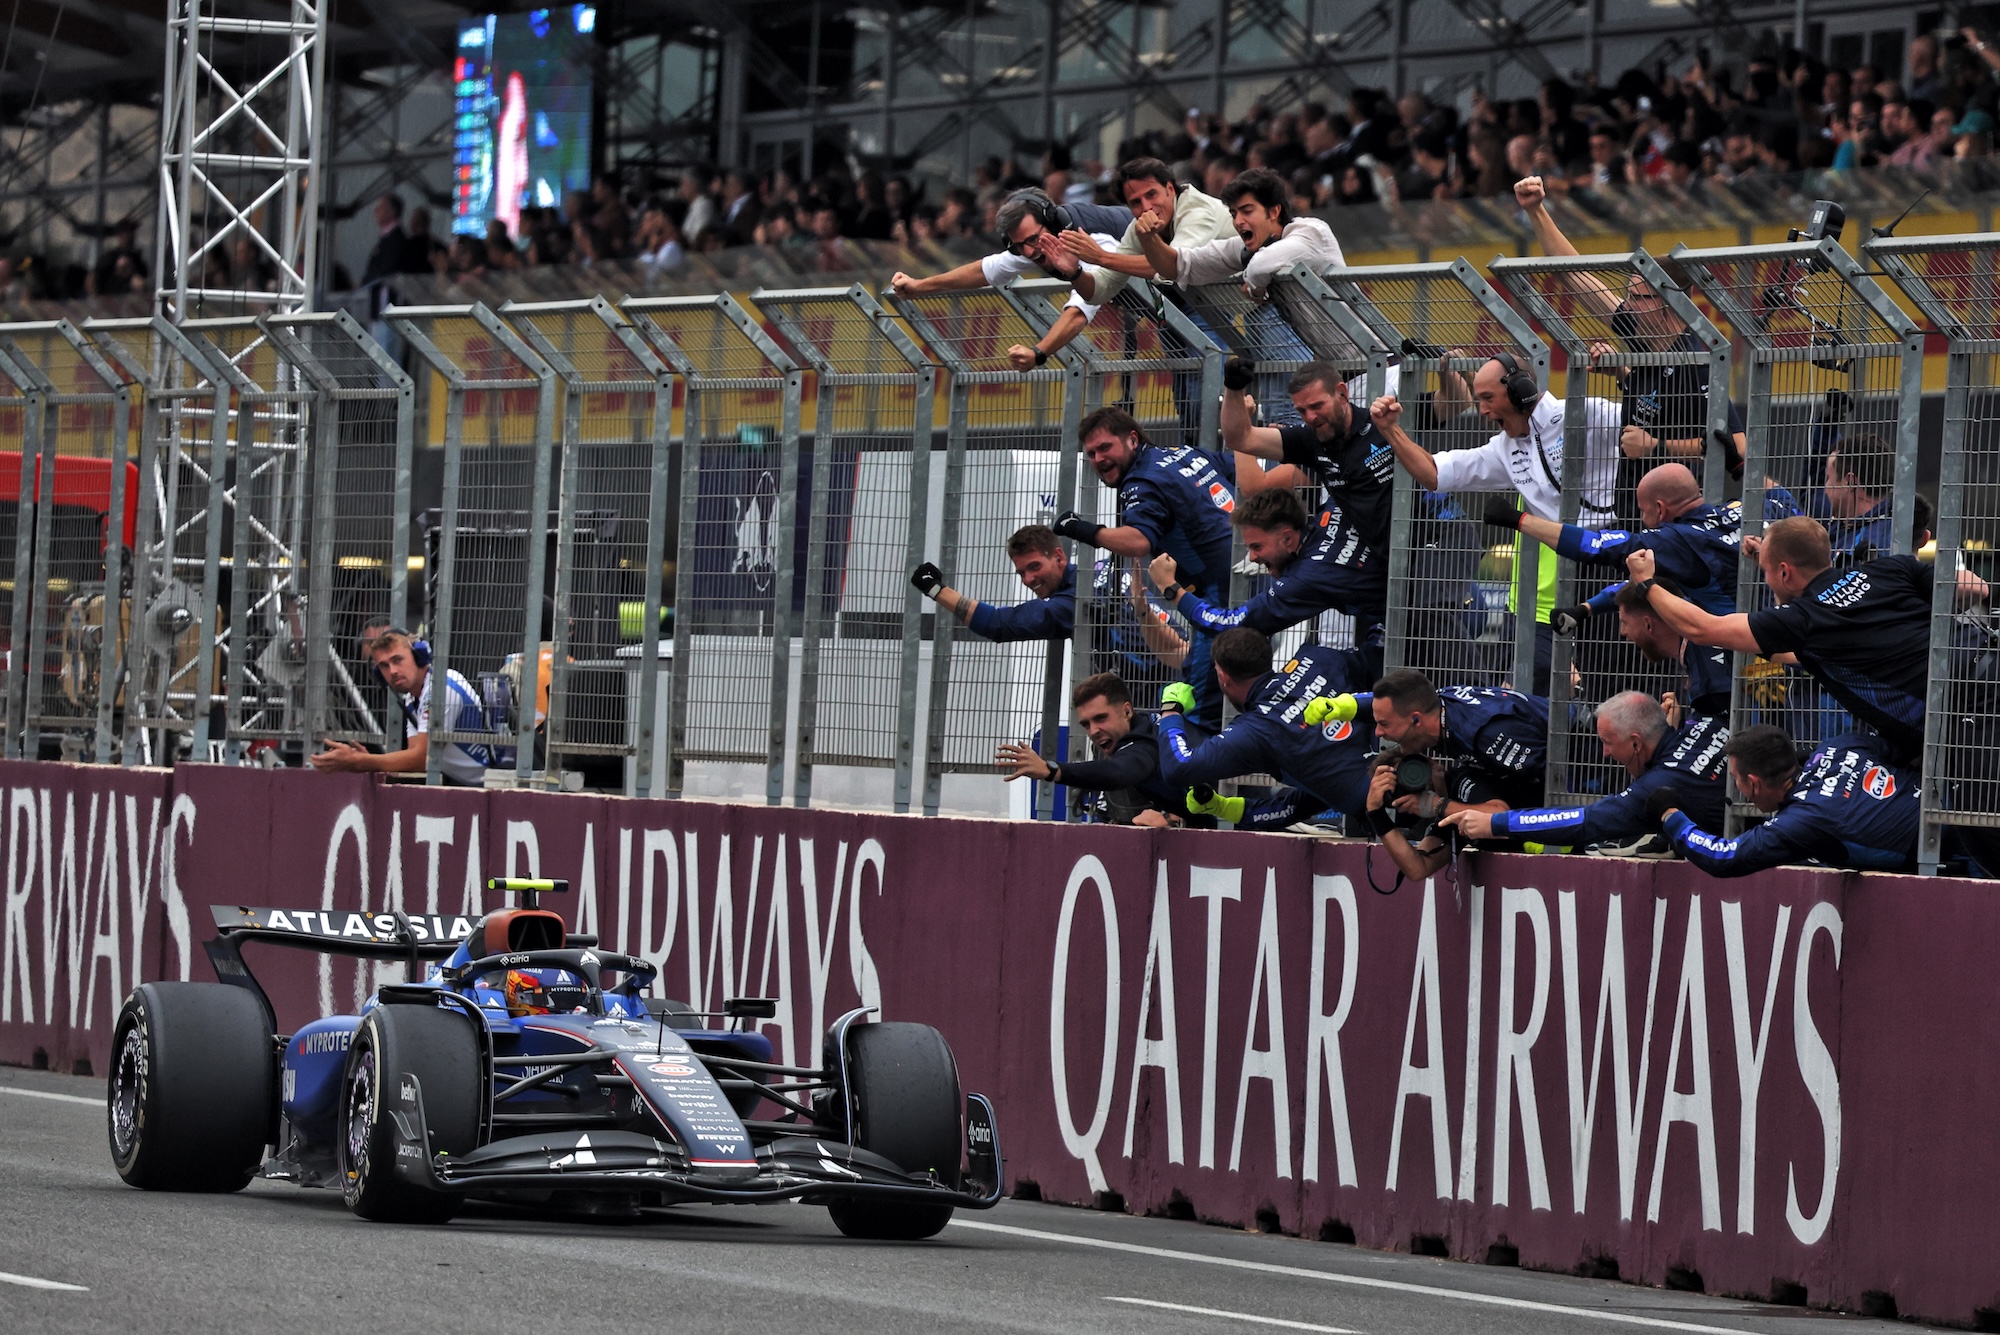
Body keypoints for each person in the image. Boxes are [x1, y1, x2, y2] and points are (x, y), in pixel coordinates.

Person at [1626, 515, 1988, 764]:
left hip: (1963, 719)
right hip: (1985, 662)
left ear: (1785, 571)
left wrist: (1647, 584)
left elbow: (1703, 628)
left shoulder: (1804, 620)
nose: (1765, 581)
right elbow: (1975, 587)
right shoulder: (1892, 568)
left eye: (1768, 572)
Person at [1373, 347, 1619, 689]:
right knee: (1548, 695)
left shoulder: (1587, 412)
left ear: (1522, 391)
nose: (1484, 411)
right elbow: (1433, 473)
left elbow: (1661, 422)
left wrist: (1628, 383)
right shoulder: (1503, 448)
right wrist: (1390, 430)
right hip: (1552, 593)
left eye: (1488, 397)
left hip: (1615, 565)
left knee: (1615, 683)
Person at [1512, 175, 1745, 511]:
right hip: (1632, 509)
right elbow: (1576, 276)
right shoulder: (1643, 336)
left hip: (1671, 519)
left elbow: (1738, 445)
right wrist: (1537, 210)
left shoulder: (1696, 362)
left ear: (1670, 303)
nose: (1628, 304)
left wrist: (1656, 446)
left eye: (1639, 297)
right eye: (1628, 295)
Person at [1490, 462, 1738, 717]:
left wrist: (1519, 520)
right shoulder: (1739, 510)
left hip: (1740, 660)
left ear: (1660, 509)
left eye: (1643, 511)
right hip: (1768, 635)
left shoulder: (1676, 540)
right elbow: (1777, 497)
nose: (1642, 520)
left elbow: (1595, 544)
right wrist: (1587, 608)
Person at [1053, 407, 1237, 726]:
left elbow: (1138, 541)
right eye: (1092, 453)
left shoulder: (1140, 480)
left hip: (1221, 598)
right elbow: (1240, 469)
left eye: (1105, 448)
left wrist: (1077, 527)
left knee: (1203, 707)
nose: (1098, 459)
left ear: (1132, 439)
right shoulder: (1182, 454)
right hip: (1253, 579)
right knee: (1233, 689)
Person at [1440, 690, 1728, 853]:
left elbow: (1582, 821)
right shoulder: (1705, 723)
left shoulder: (1657, 786)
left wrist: (1496, 824)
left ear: (1636, 742)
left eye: (1607, 742)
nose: (1604, 753)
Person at [1154, 628, 1380, 829]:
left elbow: (1178, 767)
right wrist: (1223, 808)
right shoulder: (1316, 658)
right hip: (1402, 769)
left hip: (1389, 812)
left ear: (1223, 677)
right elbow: (1301, 804)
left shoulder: (1254, 731)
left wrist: (1171, 710)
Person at [887, 187, 1129, 357]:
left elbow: (1080, 309)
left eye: (1033, 239)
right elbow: (984, 271)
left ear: (1050, 219)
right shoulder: (1034, 244)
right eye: (1018, 245)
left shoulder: (1089, 236)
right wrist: (919, 286)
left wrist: (1038, 353)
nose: (1029, 252)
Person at [1650, 724, 1919, 876]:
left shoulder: (1800, 821)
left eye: (1735, 778)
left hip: (1944, 848)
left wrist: (1670, 815)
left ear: (1753, 783)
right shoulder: (1840, 745)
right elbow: (1908, 745)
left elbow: (1725, 856)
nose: (1737, 787)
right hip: (1950, 801)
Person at [1224, 358, 1396, 583]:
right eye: (1302, 411)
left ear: (1342, 393)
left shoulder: (1384, 421)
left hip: (1433, 541)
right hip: (1380, 564)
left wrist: (1446, 370)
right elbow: (1240, 438)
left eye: (1317, 406)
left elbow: (1451, 402)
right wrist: (1234, 388)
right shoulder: (1310, 440)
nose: (1310, 417)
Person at [1146, 484, 1386, 637]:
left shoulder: (1306, 579)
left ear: (1287, 538)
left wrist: (1172, 589)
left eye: (1257, 546)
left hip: (1414, 618)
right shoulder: (1336, 506)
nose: (1252, 557)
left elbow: (1228, 624)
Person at [1310, 666, 1550, 810]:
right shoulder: (1438, 705)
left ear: (1416, 720)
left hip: (1578, 753)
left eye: (1384, 724)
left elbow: (1556, 776)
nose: (1378, 733)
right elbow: (1396, 702)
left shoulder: (1485, 736)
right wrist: (1345, 706)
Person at [995, 672, 1194, 827]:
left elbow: (1120, 772)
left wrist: (1052, 770)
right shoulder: (1142, 730)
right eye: (1086, 724)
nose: (1093, 731)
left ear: (1127, 711)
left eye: (1101, 718)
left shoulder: (1146, 743)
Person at [309, 628, 502, 785]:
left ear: (419, 656)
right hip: (475, 785)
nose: (392, 671)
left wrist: (359, 762)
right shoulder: (412, 698)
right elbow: (413, 758)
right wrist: (368, 762)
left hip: (499, 782)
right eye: (384, 666)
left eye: (397, 660)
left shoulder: (441, 687)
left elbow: (420, 760)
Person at [1133, 166, 1344, 297]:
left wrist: (1255, 289)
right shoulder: (1247, 247)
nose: (1238, 221)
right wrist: (1148, 238)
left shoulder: (1312, 232)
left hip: (1366, 362)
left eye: (1247, 211)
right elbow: (1178, 266)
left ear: (1274, 211)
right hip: (1329, 361)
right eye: (1234, 213)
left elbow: (1261, 266)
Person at [910, 524, 1073, 641]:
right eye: (1021, 573)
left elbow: (997, 623)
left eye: (1035, 566)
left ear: (1058, 556)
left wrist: (936, 589)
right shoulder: (1082, 581)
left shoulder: (1073, 600)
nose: (1028, 579)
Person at [361, 194, 410, 285]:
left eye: (381, 207)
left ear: (392, 211)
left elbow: (386, 271)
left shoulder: (397, 240)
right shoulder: (387, 238)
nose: (375, 211)